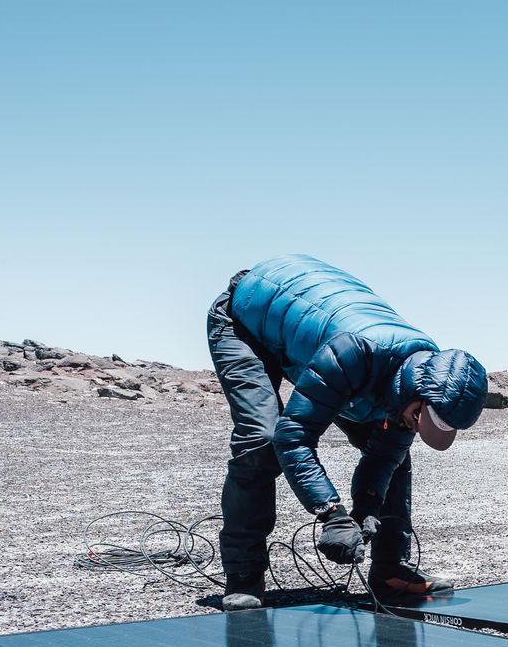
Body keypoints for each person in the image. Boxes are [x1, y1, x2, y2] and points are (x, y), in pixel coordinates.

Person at [208, 256, 487, 610]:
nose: (416, 426)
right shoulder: (354, 353)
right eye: (419, 417)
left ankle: (390, 572)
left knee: (397, 460)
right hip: (244, 319)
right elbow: (294, 437)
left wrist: (368, 506)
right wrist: (333, 515)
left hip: (308, 337)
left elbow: (385, 455)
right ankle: (244, 577)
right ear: (414, 392)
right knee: (261, 440)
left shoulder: (417, 383)